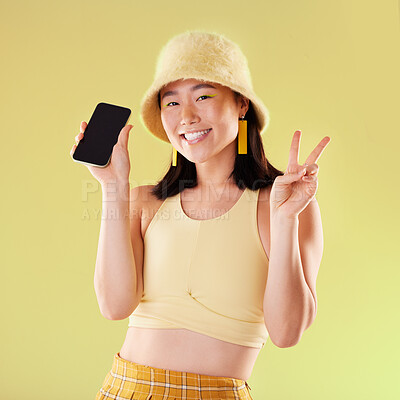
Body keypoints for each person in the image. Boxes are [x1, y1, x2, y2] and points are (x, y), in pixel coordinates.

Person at [70, 30, 330, 400]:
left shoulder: (283, 203)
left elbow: (287, 333)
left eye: (203, 96)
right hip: (125, 390)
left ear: (241, 104)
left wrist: (285, 221)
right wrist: (114, 187)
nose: (186, 117)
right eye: (171, 103)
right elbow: (114, 306)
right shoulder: (146, 203)